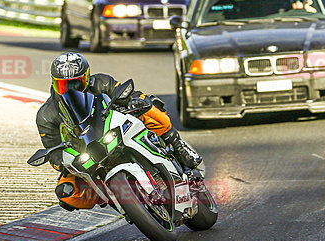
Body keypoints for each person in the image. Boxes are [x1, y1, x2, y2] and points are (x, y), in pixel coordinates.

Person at [36, 52, 202, 211]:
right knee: (67, 193)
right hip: (86, 151)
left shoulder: (101, 82)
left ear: (86, 77)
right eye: (65, 84)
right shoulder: (46, 115)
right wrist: (61, 163)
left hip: (112, 129)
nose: (71, 89)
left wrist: (133, 101)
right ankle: (108, 195)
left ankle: (178, 146)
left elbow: (124, 93)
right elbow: (53, 150)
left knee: (149, 106)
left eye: (76, 83)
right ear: (54, 82)